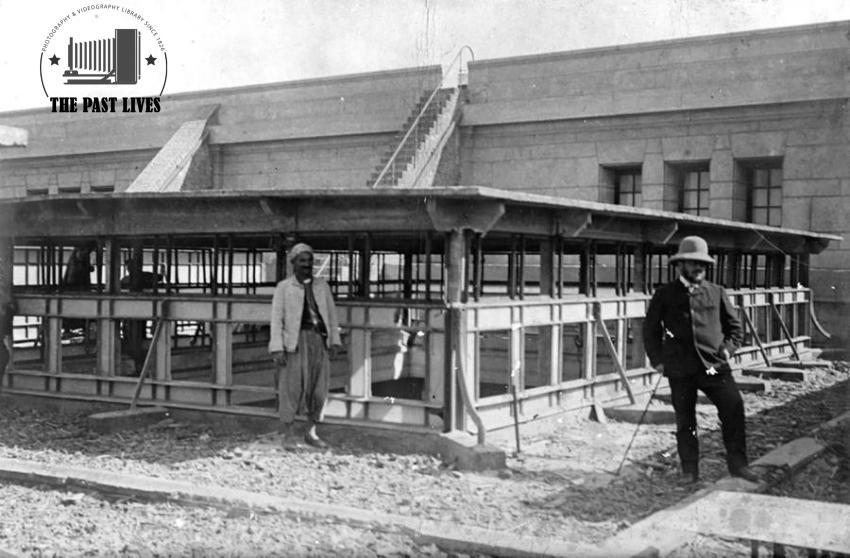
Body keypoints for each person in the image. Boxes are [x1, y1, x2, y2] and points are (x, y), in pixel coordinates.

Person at [643, 236, 760, 484]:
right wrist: (657, 360)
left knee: (734, 410)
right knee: (686, 421)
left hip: (714, 367)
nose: (700, 268)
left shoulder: (716, 292)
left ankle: (739, 466)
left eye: (703, 264)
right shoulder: (665, 294)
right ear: (680, 264)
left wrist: (728, 350)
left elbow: (735, 329)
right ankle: (689, 472)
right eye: (694, 263)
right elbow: (650, 330)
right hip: (680, 369)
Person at [269, 243, 342, 448]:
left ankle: (311, 431)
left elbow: (331, 315)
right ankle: (289, 434)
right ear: (293, 263)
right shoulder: (284, 288)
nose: (306, 265)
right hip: (294, 343)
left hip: (318, 340)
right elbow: (276, 319)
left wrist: (334, 341)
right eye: (302, 261)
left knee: (318, 389)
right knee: (291, 388)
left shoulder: (322, 286)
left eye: (309, 261)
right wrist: (277, 348)